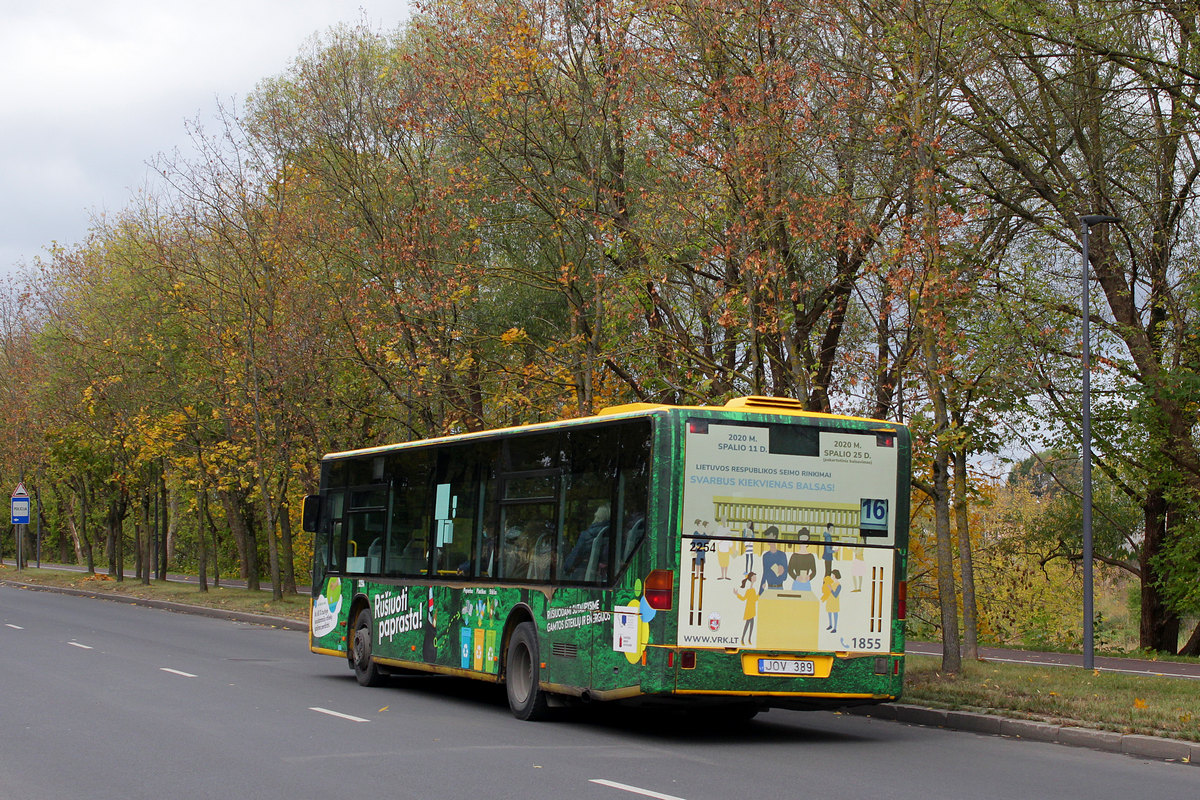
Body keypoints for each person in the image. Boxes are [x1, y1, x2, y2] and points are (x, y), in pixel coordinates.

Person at [562, 504, 610, 577]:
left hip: (585, 577)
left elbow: (571, 562)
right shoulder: (614, 533)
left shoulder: (587, 535)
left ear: (597, 516)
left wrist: (565, 568)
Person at [735, 571, 759, 645]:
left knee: (751, 625)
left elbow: (754, 599)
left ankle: (749, 639)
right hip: (749, 609)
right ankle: (743, 639)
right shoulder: (749, 590)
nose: (755, 578)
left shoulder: (753, 589)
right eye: (754, 577)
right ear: (751, 578)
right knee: (747, 625)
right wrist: (737, 594)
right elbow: (744, 598)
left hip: (752, 609)